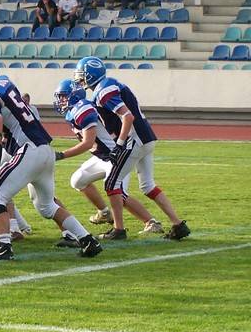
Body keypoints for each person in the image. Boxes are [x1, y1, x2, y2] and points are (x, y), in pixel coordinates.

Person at [0, 60, 102, 260]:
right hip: (44, 150)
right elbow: (7, 127)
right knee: (47, 206)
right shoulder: (3, 86)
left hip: (29, 151)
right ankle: (88, 240)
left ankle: (3, 247)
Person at [74, 57, 190, 241]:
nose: (79, 78)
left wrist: (119, 143)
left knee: (112, 183)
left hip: (136, 139)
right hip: (147, 137)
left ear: (90, 74)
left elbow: (127, 117)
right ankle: (178, 225)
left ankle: (118, 229)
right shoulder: (110, 85)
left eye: (81, 75)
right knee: (147, 185)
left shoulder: (103, 91)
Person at [51, 79, 163, 241]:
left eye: (63, 96)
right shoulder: (74, 110)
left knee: (119, 194)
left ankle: (151, 222)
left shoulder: (83, 108)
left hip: (115, 157)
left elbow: (87, 143)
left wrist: (61, 155)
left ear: (74, 95)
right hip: (102, 157)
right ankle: (104, 213)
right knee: (78, 180)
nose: (60, 101)